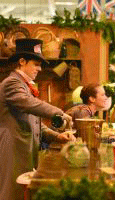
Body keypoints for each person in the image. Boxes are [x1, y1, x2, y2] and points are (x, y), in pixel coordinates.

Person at [0, 38, 73, 200]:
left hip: (25, 151)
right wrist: (59, 112)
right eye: (36, 64)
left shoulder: (24, 85)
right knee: (12, 193)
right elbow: (29, 104)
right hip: (13, 150)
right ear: (21, 61)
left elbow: (34, 122)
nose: (39, 69)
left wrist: (56, 136)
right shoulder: (12, 83)